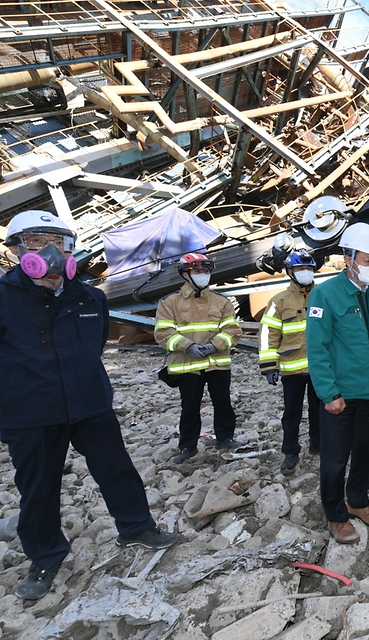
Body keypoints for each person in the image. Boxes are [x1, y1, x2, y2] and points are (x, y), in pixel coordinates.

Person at [0, 211, 177, 601]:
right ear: (15, 250)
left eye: (58, 240)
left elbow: (93, 347)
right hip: (31, 412)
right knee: (37, 487)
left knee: (116, 469)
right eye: (35, 241)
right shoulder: (3, 297)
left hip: (90, 403)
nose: (49, 250)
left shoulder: (90, 297)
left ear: (70, 247)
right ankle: (45, 556)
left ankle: (136, 527)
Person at [306, 222, 369, 544]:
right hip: (340, 395)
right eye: (368, 260)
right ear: (349, 259)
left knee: (365, 452)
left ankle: (357, 501)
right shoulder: (325, 294)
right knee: (335, 459)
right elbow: (317, 347)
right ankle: (336, 515)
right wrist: (328, 393)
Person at [155, 252, 242, 464]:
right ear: (185, 274)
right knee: (190, 407)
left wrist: (216, 345)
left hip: (217, 364)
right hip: (187, 364)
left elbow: (233, 330)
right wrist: (188, 346)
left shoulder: (222, 302)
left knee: (223, 403)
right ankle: (187, 446)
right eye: (197, 271)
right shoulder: (170, 303)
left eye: (205, 271)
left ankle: (226, 438)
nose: (202, 275)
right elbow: (163, 333)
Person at [259, 249, 321, 475]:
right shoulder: (279, 301)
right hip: (292, 369)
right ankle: (290, 452)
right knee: (292, 413)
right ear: (290, 272)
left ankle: (318, 443)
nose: (306, 273)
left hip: (319, 368)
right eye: (300, 269)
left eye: (309, 268)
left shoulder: (322, 296)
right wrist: (268, 365)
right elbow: (268, 334)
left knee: (320, 409)